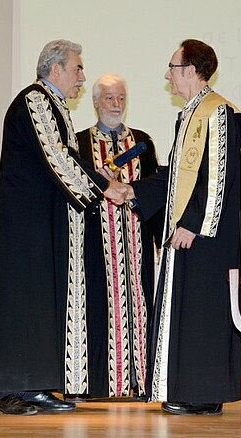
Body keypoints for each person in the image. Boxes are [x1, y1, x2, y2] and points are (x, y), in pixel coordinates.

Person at [0, 39, 126, 415]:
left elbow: (66, 158)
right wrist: (104, 187)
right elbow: (57, 158)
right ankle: (17, 390)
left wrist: (96, 178)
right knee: (24, 305)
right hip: (24, 226)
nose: (82, 77)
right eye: (77, 68)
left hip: (38, 223)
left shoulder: (52, 104)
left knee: (35, 304)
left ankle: (33, 386)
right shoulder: (36, 100)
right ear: (55, 69)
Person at [118, 39, 241, 415]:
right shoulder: (190, 114)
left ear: (190, 70)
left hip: (207, 238)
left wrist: (192, 224)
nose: (167, 75)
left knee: (204, 313)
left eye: (171, 68)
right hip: (190, 235)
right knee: (190, 313)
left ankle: (205, 395)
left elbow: (219, 177)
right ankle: (190, 390)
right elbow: (176, 177)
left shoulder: (219, 112)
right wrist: (133, 191)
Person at [73, 74, 164, 400]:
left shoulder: (142, 142)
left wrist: (157, 240)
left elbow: (157, 192)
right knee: (95, 310)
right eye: (109, 98)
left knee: (139, 307)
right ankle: (96, 384)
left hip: (136, 243)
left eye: (121, 98)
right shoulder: (81, 142)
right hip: (95, 246)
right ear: (96, 102)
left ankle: (140, 381)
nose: (116, 105)